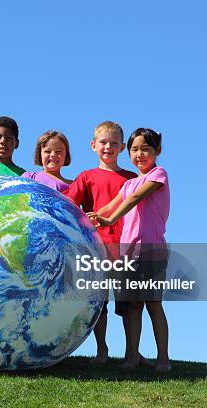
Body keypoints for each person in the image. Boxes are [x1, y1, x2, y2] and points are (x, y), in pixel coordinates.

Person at [88, 128, 171, 372]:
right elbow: (106, 207)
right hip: (128, 255)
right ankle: (132, 357)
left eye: (146, 149)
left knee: (153, 304)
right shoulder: (128, 184)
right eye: (135, 149)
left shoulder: (159, 174)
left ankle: (163, 359)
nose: (140, 154)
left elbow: (134, 199)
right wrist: (84, 216)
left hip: (152, 252)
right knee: (134, 306)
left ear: (158, 151)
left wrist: (110, 219)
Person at [63, 121, 138, 365]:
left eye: (114, 143)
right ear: (93, 145)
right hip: (97, 249)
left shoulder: (132, 178)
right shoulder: (86, 177)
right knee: (99, 304)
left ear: (122, 147)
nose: (108, 147)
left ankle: (132, 353)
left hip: (126, 248)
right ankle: (102, 350)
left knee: (129, 304)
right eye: (103, 142)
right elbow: (68, 205)